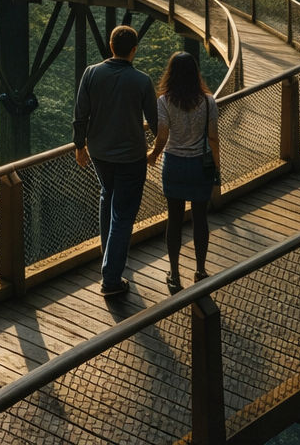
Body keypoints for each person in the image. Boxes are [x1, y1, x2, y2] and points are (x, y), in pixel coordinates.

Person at [74, 25, 158, 297]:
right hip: (132, 156)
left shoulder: (90, 73)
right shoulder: (142, 81)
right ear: (134, 50)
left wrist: (79, 146)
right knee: (123, 213)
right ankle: (110, 279)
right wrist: (158, 149)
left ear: (111, 46)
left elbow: (80, 114)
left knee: (107, 195)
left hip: (98, 153)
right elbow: (156, 122)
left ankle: (107, 255)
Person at [147, 52, 220, 294]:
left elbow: (163, 136)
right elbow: (212, 137)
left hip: (175, 164)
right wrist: (217, 167)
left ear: (171, 74)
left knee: (175, 220)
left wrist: (154, 154)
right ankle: (200, 270)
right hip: (200, 164)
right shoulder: (209, 102)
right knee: (200, 218)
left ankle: (175, 273)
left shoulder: (164, 101)